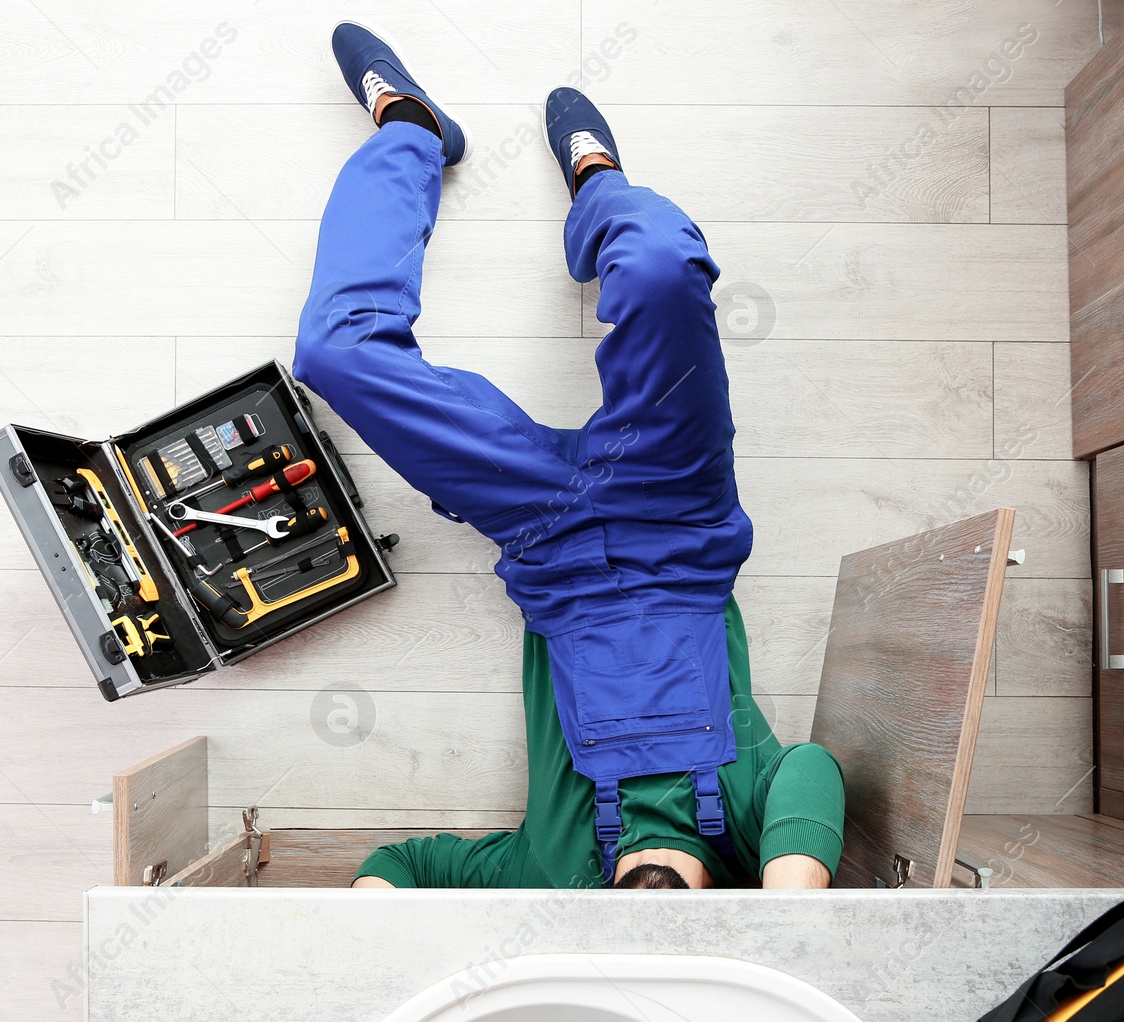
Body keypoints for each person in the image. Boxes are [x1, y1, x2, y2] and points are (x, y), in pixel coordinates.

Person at [293, 22, 845, 890]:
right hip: (678, 517)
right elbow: (813, 769)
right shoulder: (753, 835)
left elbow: (407, 863)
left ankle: (409, 130)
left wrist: (370, 927)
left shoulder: (552, 873)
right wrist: (785, 918)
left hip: (542, 532)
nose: (649, 934)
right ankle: (599, 186)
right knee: (663, 268)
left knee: (335, 357)